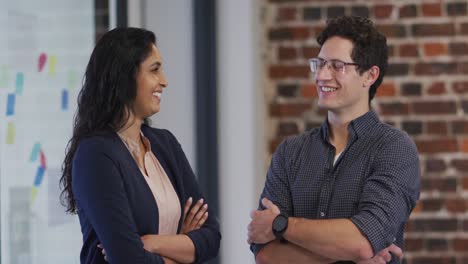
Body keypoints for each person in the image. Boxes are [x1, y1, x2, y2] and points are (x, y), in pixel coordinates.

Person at [248, 16, 420, 264]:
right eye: (319, 63)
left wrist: (280, 224)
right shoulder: (290, 152)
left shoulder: (394, 149)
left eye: (337, 66)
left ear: (370, 75)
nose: (322, 76)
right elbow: (267, 255)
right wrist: (345, 255)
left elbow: (362, 241)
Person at [59, 27, 221, 264]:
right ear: (124, 75)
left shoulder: (165, 144)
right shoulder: (95, 155)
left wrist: (150, 243)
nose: (164, 81)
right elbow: (129, 259)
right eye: (154, 70)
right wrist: (182, 245)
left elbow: (211, 237)